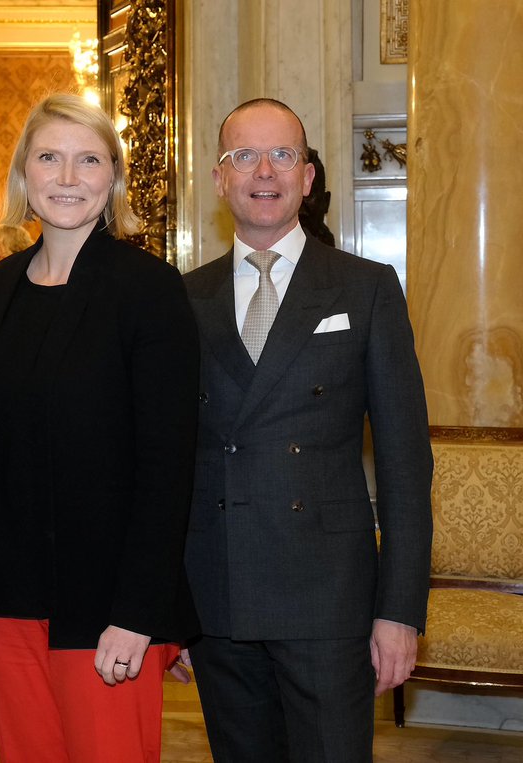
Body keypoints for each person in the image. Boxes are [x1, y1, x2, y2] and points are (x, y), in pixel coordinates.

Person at [0, 93, 200, 762]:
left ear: (113, 179)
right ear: (23, 176)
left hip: (108, 606)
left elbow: (168, 466)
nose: (66, 177)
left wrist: (139, 612)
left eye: (88, 160)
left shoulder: (150, 289)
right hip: (6, 601)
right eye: (49, 158)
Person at [181, 98, 432, 762]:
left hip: (330, 600)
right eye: (244, 156)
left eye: (283, 154)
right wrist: (166, 608)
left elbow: (407, 465)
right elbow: (164, 465)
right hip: (218, 597)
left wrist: (399, 609)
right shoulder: (181, 298)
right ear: (219, 177)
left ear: (309, 175)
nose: (264, 171)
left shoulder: (366, 288)